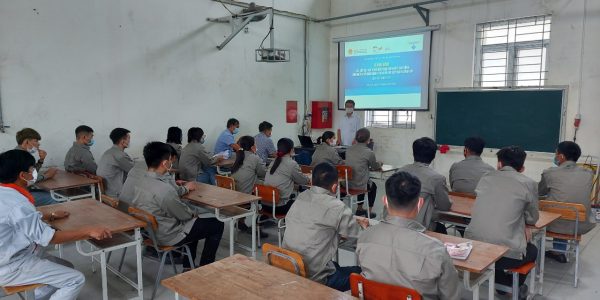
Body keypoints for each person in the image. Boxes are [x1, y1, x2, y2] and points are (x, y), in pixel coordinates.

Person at [0, 149, 111, 300]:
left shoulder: (5, 192)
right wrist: (89, 231)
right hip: (11, 265)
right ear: (22, 175)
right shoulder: (17, 202)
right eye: (32, 170)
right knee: (75, 279)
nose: (34, 173)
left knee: (66, 267)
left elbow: (17, 219)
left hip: (11, 253)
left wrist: (49, 215)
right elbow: (51, 238)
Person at [357, 171, 461, 300]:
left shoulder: (365, 237)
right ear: (419, 204)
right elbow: (451, 296)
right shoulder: (435, 250)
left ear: (385, 201)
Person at [132, 142, 224, 269]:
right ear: (165, 163)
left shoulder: (140, 181)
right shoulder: (164, 190)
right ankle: (206, 267)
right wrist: (194, 212)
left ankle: (188, 266)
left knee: (196, 224)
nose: (172, 163)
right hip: (167, 235)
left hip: (149, 232)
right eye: (170, 160)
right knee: (216, 224)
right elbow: (185, 215)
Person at [283, 162, 368, 292]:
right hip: (315, 278)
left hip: (289, 267)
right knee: (361, 273)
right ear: (335, 187)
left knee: (336, 266)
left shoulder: (301, 197)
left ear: (311, 181)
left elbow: (316, 217)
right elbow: (359, 238)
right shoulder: (337, 207)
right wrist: (363, 227)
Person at [466, 146, 539, 295]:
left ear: (499, 164)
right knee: (532, 250)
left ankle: (500, 284)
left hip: (473, 247)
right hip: (504, 255)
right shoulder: (529, 183)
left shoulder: (485, 177)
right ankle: (514, 287)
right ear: (522, 168)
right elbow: (532, 218)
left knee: (495, 244)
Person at [539, 141, 595, 263]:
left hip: (555, 223)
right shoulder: (588, 174)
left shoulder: (550, 173)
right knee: (564, 205)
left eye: (556, 153)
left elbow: (539, 192)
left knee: (546, 208)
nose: (555, 156)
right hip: (579, 224)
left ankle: (535, 252)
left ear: (561, 157)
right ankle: (559, 251)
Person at [396, 137, 451, 232]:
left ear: (413, 153)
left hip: (395, 223)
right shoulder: (437, 178)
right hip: (417, 227)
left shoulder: (399, 172)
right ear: (433, 156)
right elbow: (444, 206)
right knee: (441, 229)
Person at [231, 136, 267, 236]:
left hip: (234, 192)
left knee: (253, 182)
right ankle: (256, 226)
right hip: (245, 195)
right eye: (255, 143)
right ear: (252, 147)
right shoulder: (254, 158)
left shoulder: (237, 155)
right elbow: (263, 173)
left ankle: (241, 222)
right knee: (268, 187)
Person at [264, 138, 310, 215]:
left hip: (265, 205)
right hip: (280, 207)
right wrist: (309, 178)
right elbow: (303, 181)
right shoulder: (292, 164)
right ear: (291, 150)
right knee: (306, 203)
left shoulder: (273, 161)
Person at [14, 128, 58, 206]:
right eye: (36, 141)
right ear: (26, 141)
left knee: (50, 193)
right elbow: (27, 179)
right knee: (55, 198)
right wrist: (46, 175)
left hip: (19, 191)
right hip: (18, 194)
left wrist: (41, 160)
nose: (38, 144)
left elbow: (30, 173)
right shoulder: (21, 156)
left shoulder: (19, 153)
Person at [345, 128, 382, 218]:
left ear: (356, 138)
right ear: (368, 140)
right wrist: (380, 163)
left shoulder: (349, 149)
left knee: (361, 178)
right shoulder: (369, 152)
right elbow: (375, 167)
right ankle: (369, 212)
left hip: (346, 184)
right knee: (372, 186)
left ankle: (360, 209)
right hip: (359, 184)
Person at [97, 128, 134, 198]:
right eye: (128, 138)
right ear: (123, 141)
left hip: (106, 191)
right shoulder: (119, 155)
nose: (129, 141)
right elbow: (134, 170)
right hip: (114, 194)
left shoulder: (108, 152)